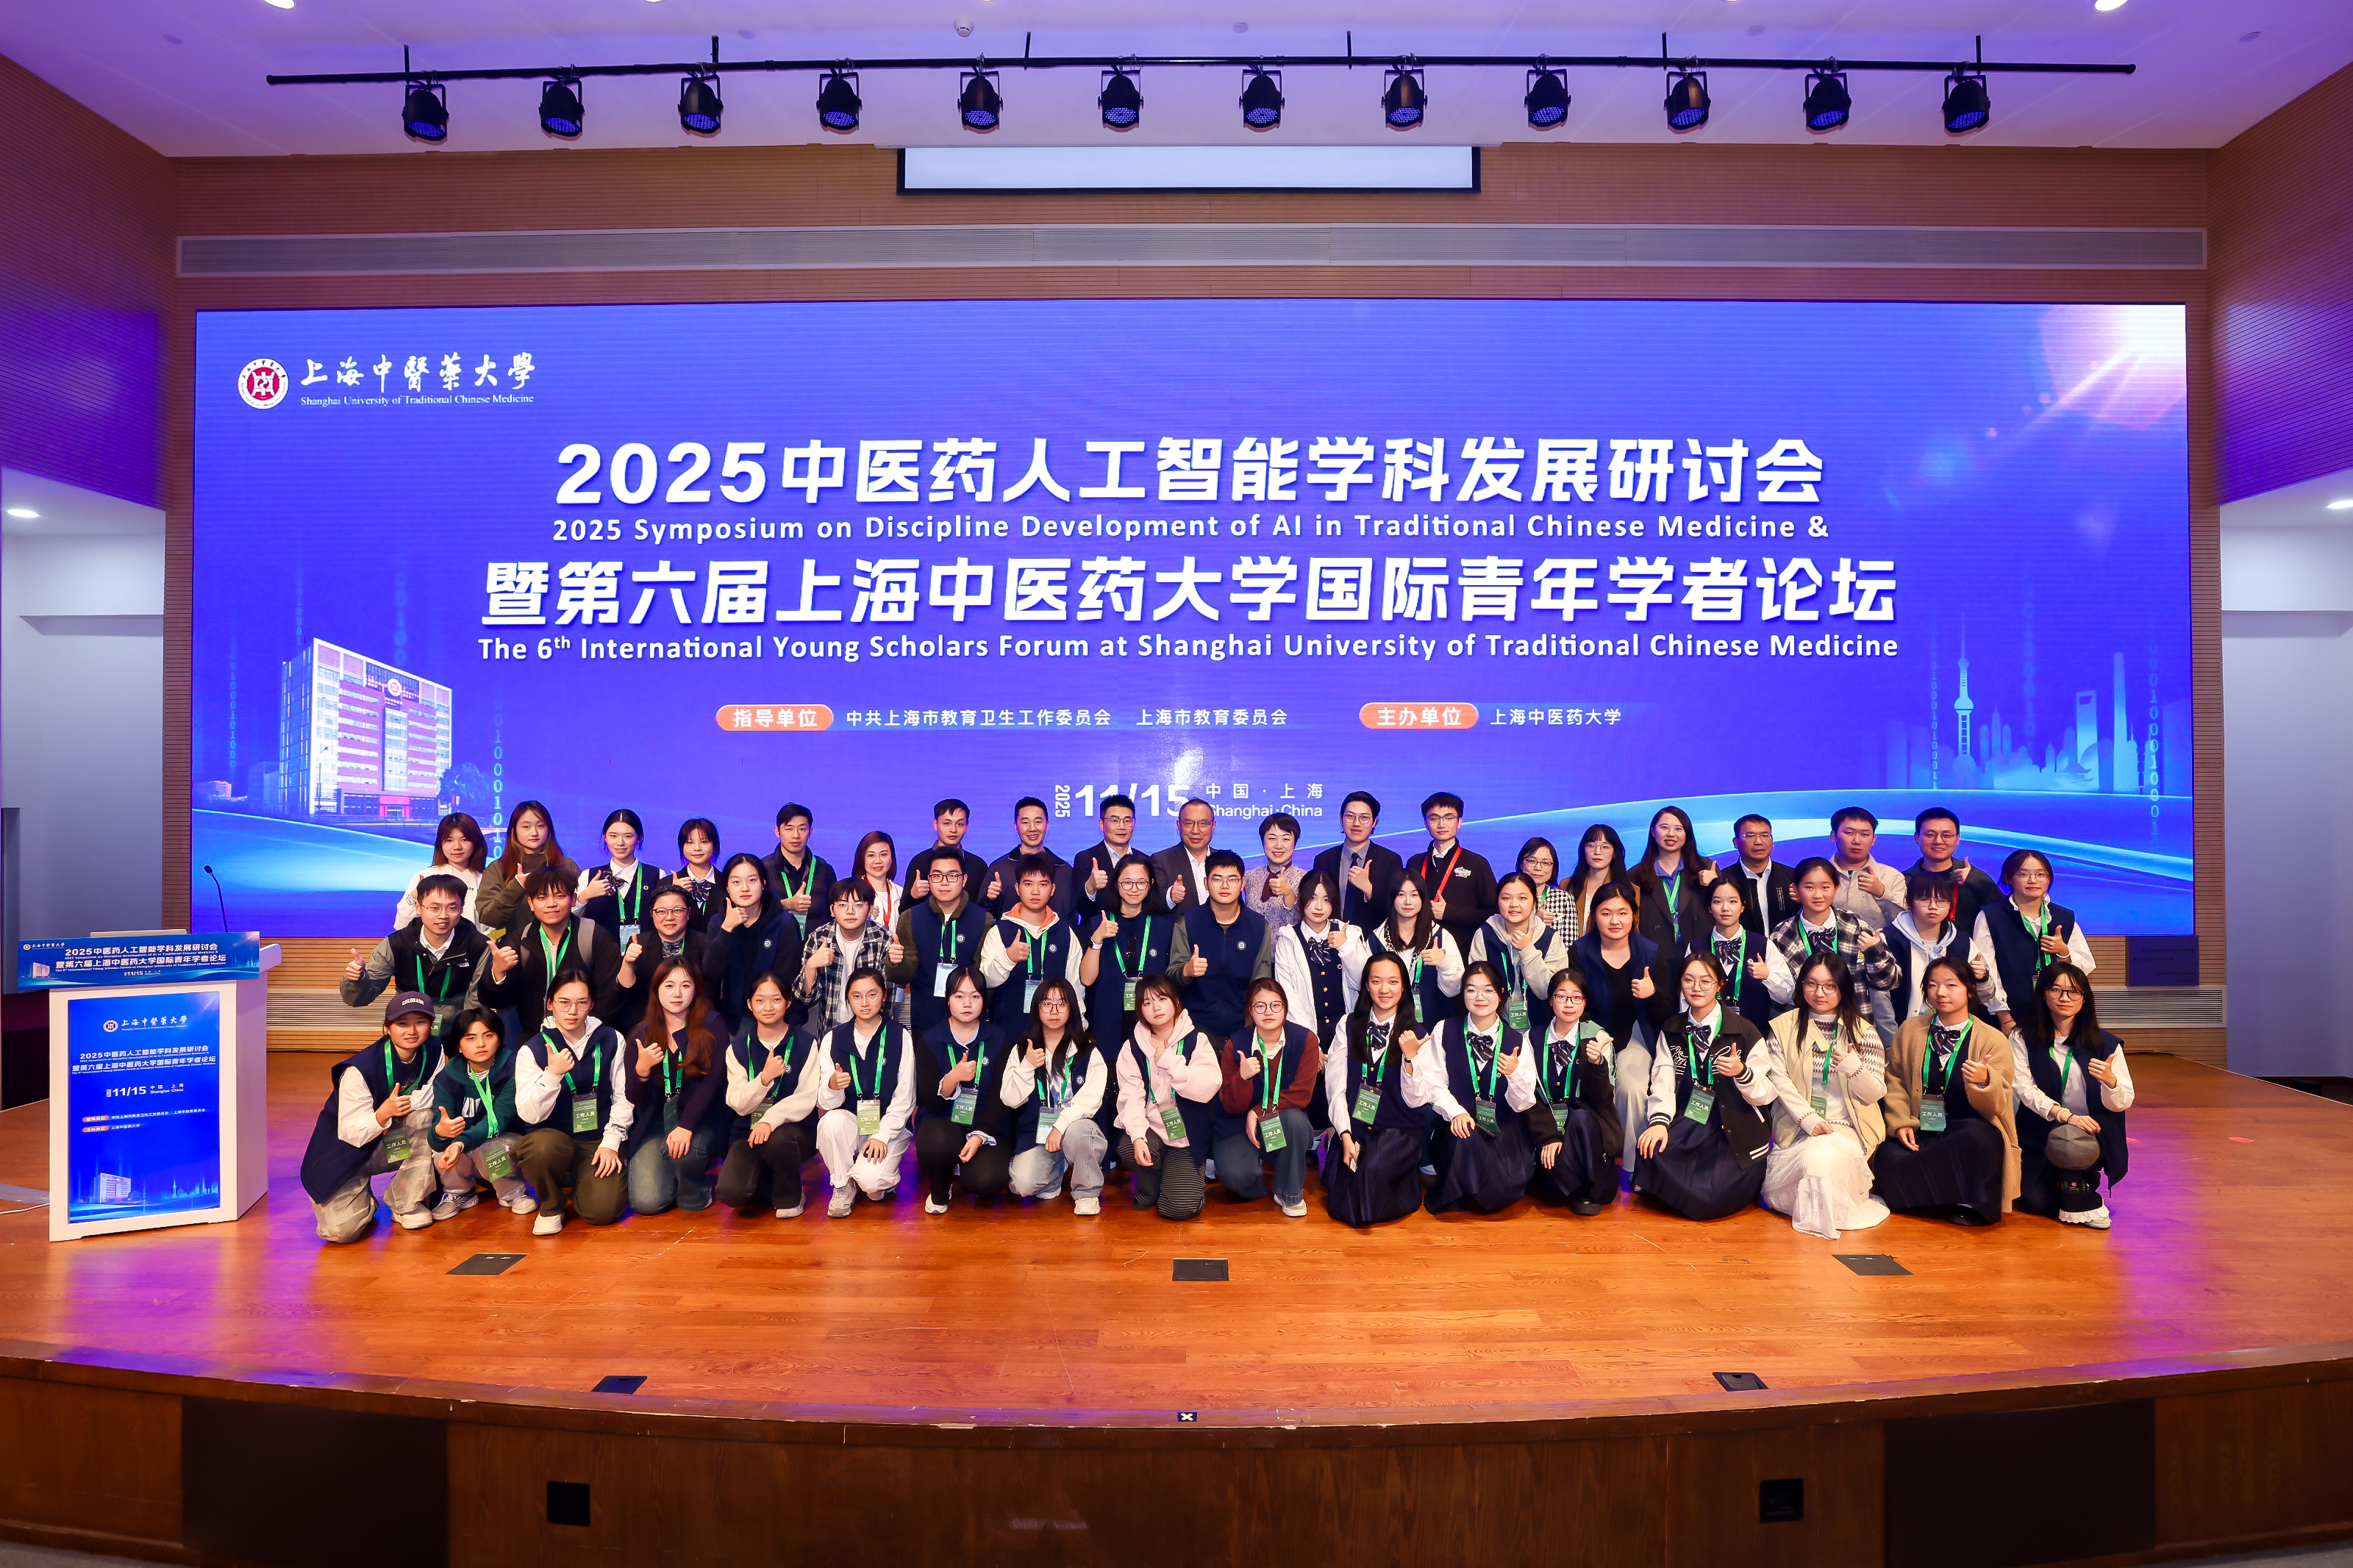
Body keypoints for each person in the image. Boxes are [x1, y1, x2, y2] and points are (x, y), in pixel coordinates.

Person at [1748, 953, 1890, 1241]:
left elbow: (1875, 1093)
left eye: (1830, 986)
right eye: (1811, 984)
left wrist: (1854, 1069)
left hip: (1849, 1130)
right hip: (1797, 1129)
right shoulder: (1783, 1027)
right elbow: (1778, 1080)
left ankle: (1817, 1216)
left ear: (1843, 988)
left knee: (1822, 1157)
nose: (1819, 993)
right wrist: (1808, 1120)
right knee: (1815, 1155)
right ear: (1801, 985)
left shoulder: (1864, 1032)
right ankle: (1820, 1214)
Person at [1628, 953, 1772, 1221]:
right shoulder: (1672, 1029)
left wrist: (1742, 1073)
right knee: (1650, 1149)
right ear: (1680, 984)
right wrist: (1658, 1122)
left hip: (1734, 1127)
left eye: (1706, 981)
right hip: (1692, 1118)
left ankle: (1685, 1195)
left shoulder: (1746, 1031)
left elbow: (1766, 1093)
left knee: (1712, 1197)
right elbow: (1663, 1081)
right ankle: (1682, 1192)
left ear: (1720, 985)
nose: (1696, 988)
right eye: (1689, 980)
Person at [1875, 957, 2018, 1225]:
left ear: (1970, 990)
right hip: (1923, 1127)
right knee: (1887, 1158)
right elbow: (1895, 1080)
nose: (1941, 992)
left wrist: (1985, 1081)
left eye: (1951, 985)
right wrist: (1901, 1122)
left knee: (1975, 1137)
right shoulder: (1910, 1030)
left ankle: (1966, 1202)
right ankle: (1939, 1199)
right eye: (1933, 985)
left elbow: (1999, 1105)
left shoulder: (1993, 1039)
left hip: (1968, 1132)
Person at [299, 990, 447, 1242]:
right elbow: (350, 1133)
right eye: (402, 1023)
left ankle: (404, 1203)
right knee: (341, 1232)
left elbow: (432, 1096)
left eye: (420, 1022)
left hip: (385, 1145)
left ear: (430, 1025)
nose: (412, 1031)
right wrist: (382, 1114)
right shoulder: (359, 1070)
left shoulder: (435, 1049)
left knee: (425, 1119)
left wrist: (402, 1109)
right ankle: (360, 1196)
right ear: (387, 1028)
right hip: (344, 1155)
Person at [1405, 961, 1537, 1214]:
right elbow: (1433, 1082)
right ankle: (1462, 1190)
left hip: (1503, 1130)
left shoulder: (1518, 1040)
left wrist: (1515, 1074)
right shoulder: (1444, 1029)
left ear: (1501, 994)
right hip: (1457, 1130)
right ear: (1463, 993)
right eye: (1471, 990)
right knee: (1466, 1141)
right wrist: (1455, 1112)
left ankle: (1469, 1189)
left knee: (1505, 1190)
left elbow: (1522, 1104)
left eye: (1488, 990)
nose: (1479, 997)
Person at [511, 967, 634, 1235]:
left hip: (597, 1139)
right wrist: (552, 1075)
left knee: (603, 1212)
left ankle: (582, 1181)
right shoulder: (532, 1049)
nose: (572, 1011)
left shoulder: (612, 1039)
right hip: (552, 1137)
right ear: (550, 1004)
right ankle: (551, 1206)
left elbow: (624, 1096)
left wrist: (612, 1142)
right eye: (564, 1003)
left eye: (581, 1003)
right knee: (540, 1148)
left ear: (592, 1004)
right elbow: (529, 1115)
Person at [2010, 963, 2132, 1230]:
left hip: (2089, 1130)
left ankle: (2081, 1196)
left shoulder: (2106, 1044)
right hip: (2041, 1127)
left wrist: (2110, 1082)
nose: (2065, 998)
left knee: (2070, 1144)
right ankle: (2067, 1183)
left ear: (2084, 998)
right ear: (2043, 993)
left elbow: (2123, 1101)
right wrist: (2064, 1115)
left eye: (2074, 991)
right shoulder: (2022, 1037)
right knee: (2034, 1202)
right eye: (2056, 990)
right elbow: (2023, 1087)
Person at [1323, 953, 1430, 1228]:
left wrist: (1410, 1059)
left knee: (1368, 1177)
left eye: (1393, 981)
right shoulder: (1347, 1025)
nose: (1384, 989)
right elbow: (1336, 1087)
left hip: (1399, 1131)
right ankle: (1335, 1143)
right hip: (1356, 1128)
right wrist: (1345, 1134)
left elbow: (1417, 1100)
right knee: (1345, 1183)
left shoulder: (1418, 1034)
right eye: (1376, 981)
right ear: (1366, 986)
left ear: (1403, 987)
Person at [1572, 881, 1674, 1162]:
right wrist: (1595, 1040)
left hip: (1636, 1036)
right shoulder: (1580, 951)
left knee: (1632, 1088)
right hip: (1592, 1037)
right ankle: (1593, 1161)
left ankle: (1632, 1167)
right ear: (1594, 915)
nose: (1614, 921)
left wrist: (1652, 994)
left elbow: (1667, 1016)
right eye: (1606, 913)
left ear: (1634, 915)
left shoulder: (1651, 953)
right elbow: (1574, 1005)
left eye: (1622, 913)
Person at [622, 957, 729, 1216]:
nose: (678, 994)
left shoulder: (713, 1024)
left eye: (686, 985)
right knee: (646, 1203)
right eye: (669, 986)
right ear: (657, 990)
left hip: (701, 1119)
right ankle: (672, 1174)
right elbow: (636, 1097)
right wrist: (642, 1071)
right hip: (655, 1124)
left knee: (685, 1155)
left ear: (696, 989)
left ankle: (695, 1190)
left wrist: (686, 1126)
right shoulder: (641, 1034)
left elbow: (713, 1082)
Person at [1111, 974, 1224, 1219]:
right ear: (1140, 1011)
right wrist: (1138, 1136)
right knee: (1129, 1147)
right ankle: (1149, 1188)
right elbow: (1131, 1097)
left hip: (1186, 1135)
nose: (1156, 1007)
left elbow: (1209, 1086)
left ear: (1176, 1001)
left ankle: (1181, 1183)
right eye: (1147, 1003)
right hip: (1152, 1129)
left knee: (1178, 1209)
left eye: (1162, 999)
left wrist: (1171, 1061)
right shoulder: (1132, 1047)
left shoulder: (1197, 1040)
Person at [714, 972, 826, 1218]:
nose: (768, 1007)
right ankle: (770, 1178)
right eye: (760, 1000)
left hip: (795, 1132)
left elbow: (807, 1097)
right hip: (749, 1132)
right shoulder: (737, 1048)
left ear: (788, 1003)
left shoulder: (806, 1043)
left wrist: (769, 1120)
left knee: (779, 1141)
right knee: (731, 1193)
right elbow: (738, 1104)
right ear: (749, 1004)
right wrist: (764, 1079)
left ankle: (790, 1197)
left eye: (776, 1000)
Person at [1212, 978, 1324, 1216]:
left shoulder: (1306, 1040)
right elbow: (1231, 1106)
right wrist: (1242, 1078)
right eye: (1260, 1006)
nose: (1268, 1012)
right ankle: (1257, 1175)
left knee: (1295, 1120)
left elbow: (1301, 1095)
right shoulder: (1236, 1045)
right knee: (1236, 1176)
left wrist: (1257, 1112)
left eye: (1275, 1005)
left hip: (1284, 1121)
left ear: (1285, 1008)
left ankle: (1288, 1193)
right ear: (1251, 1011)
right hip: (1239, 1125)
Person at [1001, 978, 1112, 1214]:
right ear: (1037, 1008)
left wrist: (1060, 1126)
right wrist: (1027, 1066)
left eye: (1061, 1004)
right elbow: (1010, 1099)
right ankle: (1054, 1175)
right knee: (1022, 1184)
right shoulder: (1022, 1050)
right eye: (1047, 1004)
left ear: (1071, 1009)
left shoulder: (1087, 1049)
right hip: (1038, 1134)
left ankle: (1087, 1193)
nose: (1054, 1011)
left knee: (1082, 1131)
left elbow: (1091, 1099)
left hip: (1075, 1129)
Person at [812, 967, 917, 1217]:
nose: (865, 1002)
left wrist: (882, 1135)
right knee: (830, 1122)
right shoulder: (833, 1039)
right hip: (852, 1122)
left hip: (888, 1127)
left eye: (872, 994)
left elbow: (906, 1097)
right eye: (857, 996)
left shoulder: (899, 1036)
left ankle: (876, 1178)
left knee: (871, 1183)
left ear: (884, 995)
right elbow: (824, 1101)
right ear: (848, 999)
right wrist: (832, 1086)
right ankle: (843, 1185)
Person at [1764, 858, 1902, 1043]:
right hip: (1802, 1034)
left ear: (1836, 888)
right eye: (1809, 887)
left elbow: (1890, 981)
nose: (1818, 895)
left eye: (1825, 887)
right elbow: (1778, 1000)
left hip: (1854, 1030)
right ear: (1796, 889)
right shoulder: (1782, 935)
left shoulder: (1856, 926)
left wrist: (1875, 952)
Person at [913, 966, 1015, 1213]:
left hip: (986, 1126)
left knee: (986, 1182)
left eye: (975, 996)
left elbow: (1000, 1098)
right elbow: (929, 1101)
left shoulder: (1000, 1039)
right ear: (948, 999)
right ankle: (941, 1183)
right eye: (959, 996)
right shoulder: (929, 1040)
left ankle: (966, 1165)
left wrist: (980, 1135)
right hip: (942, 1124)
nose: (967, 1003)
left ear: (984, 1000)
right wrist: (953, 1078)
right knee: (936, 1143)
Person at [340, 872, 488, 1042]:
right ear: (418, 907)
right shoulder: (396, 944)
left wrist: (467, 1038)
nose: (443, 915)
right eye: (434, 908)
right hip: (408, 1025)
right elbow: (359, 998)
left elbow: (475, 1002)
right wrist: (357, 980)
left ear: (461, 909)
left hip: (457, 1027)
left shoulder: (478, 946)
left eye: (452, 908)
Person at [478, 865, 622, 1037]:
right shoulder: (519, 941)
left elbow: (610, 996)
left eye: (560, 896)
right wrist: (498, 971)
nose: (551, 904)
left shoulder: (595, 937)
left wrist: (585, 1036)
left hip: (586, 1037)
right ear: (531, 903)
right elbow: (496, 1001)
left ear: (573, 899)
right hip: (534, 1037)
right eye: (542, 897)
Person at [424, 1006, 535, 1220]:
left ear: (499, 1039)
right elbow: (437, 1133)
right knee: (442, 1151)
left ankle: (513, 1193)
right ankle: (459, 1193)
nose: (481, 1044)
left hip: (507, 1142)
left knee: (490, 1147)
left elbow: (499, 1119)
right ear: (459, 1046)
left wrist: (461, 1143)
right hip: (467, 1149)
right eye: (471, 1038)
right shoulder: (447, 1078)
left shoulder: (514, 1068)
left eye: (488, 1035)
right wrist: (440, 1133)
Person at [1526, 968, 1619, 1214]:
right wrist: (1548, 1135)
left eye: (1577, 997)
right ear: (1550, 1000)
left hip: (1587, 1133)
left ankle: (1588, 1189)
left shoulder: (1597, 1037)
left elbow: (1601, 1100)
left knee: (1581, 1117)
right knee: (1552, 1182)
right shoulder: (1532, 1038)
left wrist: (1597, 1065)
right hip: (1549, 1130)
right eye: (1561, 996)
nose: (1569, 1004)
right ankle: (1571, 1186)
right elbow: (1528, 1097)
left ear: (1585, 1002)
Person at [1079, 853, 1190, 1060]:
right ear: (1116, 884)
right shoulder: (1097, 923)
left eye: (1141, 883)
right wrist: (1097, 939)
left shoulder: (1164, 927)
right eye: (1127, 882)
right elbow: (1086, 979)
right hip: (1108, 1024)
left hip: (1153, 1027)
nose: (1134, 889)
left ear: (1151, 884)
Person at [1973, 849, 2097, 1033]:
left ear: (2049, 879)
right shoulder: (1991, 916)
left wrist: (2064, 953)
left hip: (2056, 1016)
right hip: (2007, 1017)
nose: (2033, 880)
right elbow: (1987, 970)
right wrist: (2004, 1017)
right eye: (2023, 874)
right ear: (2008, 878)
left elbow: (2084, 969)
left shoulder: (2063, 917)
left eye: (2040, 874)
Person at [888, 846, 996, 1040]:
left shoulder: (984, 920)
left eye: (952, 875)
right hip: (925, 1018)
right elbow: (903, 976)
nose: (944, 882)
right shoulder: (911, 917)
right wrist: (895, 963)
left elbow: (984, 976)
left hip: (969, 1021)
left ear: (964, 879)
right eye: (937, 876)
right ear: (929, 880)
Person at [1176, 850, 1274, 1045]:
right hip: (1195, 1028)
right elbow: (1172, 977)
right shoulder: (1187, 922)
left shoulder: (1258, 926)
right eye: (1217, 879)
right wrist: (1187, 970)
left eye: (1232, 879)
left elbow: (1262, 983)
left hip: (1243, 1029)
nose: (1224, 886)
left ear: (1243, 883)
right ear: (1206, 883)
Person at [979, 854, 1085, 1034]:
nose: (1035, 891)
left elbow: (1075, 987)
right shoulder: (1000, 930)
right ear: (1017, 888)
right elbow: (986, 981)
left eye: (1043, 884)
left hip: (1055, 1034)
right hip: (1007, 1032)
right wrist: (1008, 958)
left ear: (1052, 889)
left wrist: (1079, 1026)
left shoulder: (1065, 933)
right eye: (1028, 884)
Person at [704, 851, 804, 1031]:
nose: (745, 888)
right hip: (732, 1020)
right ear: (727, 887)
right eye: (736, 882)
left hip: (776, 1016)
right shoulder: (718, 923)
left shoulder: (784, 923)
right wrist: (727, 929)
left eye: (752, 880)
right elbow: (711, 973)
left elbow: (788, 978)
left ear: (763, 883)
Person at [1271, 870, 1370, 1049]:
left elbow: (1362, 983)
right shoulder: (1288, 939)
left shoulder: (1350, 933)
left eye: (1326, 900)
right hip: (1307, 1034)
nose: (1319, 907)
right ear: (1301, 897)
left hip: (1347, 1034)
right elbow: (1288, 996)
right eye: (1313, 898)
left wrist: (1346, 947)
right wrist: (1309, 1043)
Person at [1467, 872, 1568, 1037]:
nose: (1514, 905)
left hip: (1543, 1031)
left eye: (1522, 898)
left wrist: (1528, 951)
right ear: (1498, 901)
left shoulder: (1550, 938)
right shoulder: (1485, 935)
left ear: (1534, 902)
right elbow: (1475, 988)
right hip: (1494, 1031)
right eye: (1506, 898)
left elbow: (1549, 992)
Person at [1885, 871, 1990, 1028]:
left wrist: (1982, 979)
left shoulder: (1961, 940)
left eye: (1941, 901)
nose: (1933, 907)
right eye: (1924, 899)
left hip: (1952, 1030)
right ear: (1909, 902)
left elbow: (1985, 996)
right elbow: (1880, 999)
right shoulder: (1889, 939)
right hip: (1903, 1029)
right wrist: (1892, 1038)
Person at [794, 878, 895, 1039]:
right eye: (842, 905)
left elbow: (887, 999)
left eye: (859, 905)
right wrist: (811, 966)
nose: (850, 911)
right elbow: (804, 998)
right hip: (831, 1029)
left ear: (870, 909)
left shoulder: (884, 939)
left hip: (874, 1031)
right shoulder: (819, 938)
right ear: (832, 910)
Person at [1367, 873, 1464, 1031]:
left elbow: (1455, 990)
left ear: (1423, 898)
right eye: (1401, 895)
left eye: (1414, 895)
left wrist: (1444, 962)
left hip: (1433, 1029)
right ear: (1392, 898)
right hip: (1388, 1028)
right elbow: (1363, 987)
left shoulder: (1441, 936)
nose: (1408, 902)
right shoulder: (1375, 940)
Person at [1410, 792, 1499, 954]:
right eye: (1434, 818)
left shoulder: (1477, 863)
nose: (1441, 824)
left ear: (1459, 822)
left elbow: (1494, 914)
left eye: (1449, 818)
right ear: (1426, 823)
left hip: (1461, 951)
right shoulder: (1414, 863)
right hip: (1419, 950)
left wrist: (1449, 912)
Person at [1685, 876, 1774, 1033]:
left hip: (1755, 1034)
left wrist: (1768, 976)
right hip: (1709, 1034)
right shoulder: (1695, 947)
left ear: (1743, 906)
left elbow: (1786, 995)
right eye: (1717, 902)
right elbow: (1684, 999)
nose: (1725, 908)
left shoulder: (1764, 945)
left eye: (1732, 901)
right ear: (1709, 907)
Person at [475, 799, 579, 934]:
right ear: (514, 831)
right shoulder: (499, 868)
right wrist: (517, 886)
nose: (534, 832)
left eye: (540, 826)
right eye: (526, 827)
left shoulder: (566, 865)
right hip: (517, 945)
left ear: (549, 829)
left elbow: (580, 912)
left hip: (566, 942)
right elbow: (489, 918)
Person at [1313, 790, 1404, 935]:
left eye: (1364, 818)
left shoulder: (1390, 860)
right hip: (1330, 940)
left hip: (1372, 942)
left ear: (1374, 822)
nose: (1356, 823)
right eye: (1350, 816)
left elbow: (1396, 910)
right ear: (1341, 819)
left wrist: (1368, 889)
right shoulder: (1324, 860)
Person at [1629, 806, 1715, 951]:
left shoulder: (1706, 868)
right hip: (1655, 954)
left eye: (1678, 829)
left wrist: (1715, 884)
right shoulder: (1634, 876)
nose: (1671, 834)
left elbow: (1725, 909)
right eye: (1664, 827)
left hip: (1699, 952)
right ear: (1653, 832)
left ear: (1687, 834)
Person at [1904, 807, 2001, 936]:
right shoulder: (1905, 880)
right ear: (1917, 838)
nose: (1938, 841)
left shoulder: (1975, 878)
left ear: (1957, 839)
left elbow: (2004, 916)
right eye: (1930, 835)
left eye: (1947, 836)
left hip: (1968, 948)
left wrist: (1977, 883)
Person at [576, 809, 663, 951]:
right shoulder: (589, 875)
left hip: (647, 953)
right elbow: (567, 919)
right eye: (613, 836)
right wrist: (584, 897)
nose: (620, 843)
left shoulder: (656, 875)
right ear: (605, 837)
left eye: (628, 836)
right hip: (599, 954)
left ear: (639, 837)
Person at [984, 797, 1076, 921]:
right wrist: (990, 899)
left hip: (1055, 934)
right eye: (1025, 822)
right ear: (1016, 827)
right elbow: (981, 914)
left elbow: (1071, 918)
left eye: (1038, 822)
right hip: (1010, 934)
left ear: (1047, 825)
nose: (1032, 828)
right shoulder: (999, 868)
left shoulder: (1064, 870)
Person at [393, 812, 488, 927]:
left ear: (476, 842)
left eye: (464, 840)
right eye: (449, 840)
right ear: (440, 844)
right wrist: (413, 898)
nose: (457, 847)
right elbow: (402, 925)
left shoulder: (488, 879)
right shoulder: (425, 877)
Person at [1827, 806, 1907, 931]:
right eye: (1849, 833)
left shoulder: (1892, 877)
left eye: (1864, 834)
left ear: (1873, 839)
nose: (1857, 841)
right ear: (1833, 836)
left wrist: (1882, 893)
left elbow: (1906, 923)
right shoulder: (1818, 875)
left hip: (1877, 942)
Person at [763, 803, 836, 935]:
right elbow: (753, 912)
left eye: (802, 829)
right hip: (776, 945)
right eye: (789, 829)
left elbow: (835, 913)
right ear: (777, 832)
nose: (796, 835)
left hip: (817, 945)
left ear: (810, 832)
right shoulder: (762, 869)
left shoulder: (825, 869)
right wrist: (786, 905)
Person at [1720, 815, 1797, 938]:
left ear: (1772, 841)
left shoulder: (1793, 877)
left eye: (1765, 835)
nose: (1759, 842)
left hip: (1787, 947)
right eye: (1750, 836)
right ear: (1736, 843)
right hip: (1743, 949)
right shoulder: (1723, 881)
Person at [903, 798, 990, 904]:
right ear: (935, 824)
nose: (953, 830)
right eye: (947, 823)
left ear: (967, 826)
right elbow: (903, 909)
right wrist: (913, 896)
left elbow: (985, 909)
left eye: (960, 824)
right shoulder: (919, 862)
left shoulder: (978, 865)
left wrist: (991, 899)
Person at [1072, 792, 1141, 922]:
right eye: (1115, 821)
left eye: (1127, 821)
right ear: (1101, 824)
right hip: (1099, 931)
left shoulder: (1145, 860)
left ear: (1134, 824)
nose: (1122, 827)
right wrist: (1091, 887)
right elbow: (1082, 909)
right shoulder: (1085, 859)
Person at [1560, 824, 1630, 943]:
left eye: (1605, 847)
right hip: (1571, 952)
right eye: (1591, 846)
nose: (1597, 852)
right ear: (1583, 850)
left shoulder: (1630, 889)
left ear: (1615, 852)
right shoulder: (1567, 885)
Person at [1151, 797, 1218, 914]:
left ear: (1213, 826)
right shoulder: (1161, 860)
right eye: (1189, 823)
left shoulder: (1224, 861)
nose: (1195, 831)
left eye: (1203, 824)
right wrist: (1170, 897)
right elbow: (1151, 903)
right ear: (1179, 825)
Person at [1244, 812, 1307, 931]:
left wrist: (1289, 894)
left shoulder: (1305, 879)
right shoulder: (1250, 876)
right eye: (1272, 839)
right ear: (1263, 841)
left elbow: (1304, 925)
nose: (1278, 846)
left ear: (1295, 843)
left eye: (1286, 839)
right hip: (1253, 943)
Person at [670, 817, 723, 930]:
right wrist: (674, 895)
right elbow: (655, 925)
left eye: (704, 842)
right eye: (690, 843)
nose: (697, 848)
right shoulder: (668, 884)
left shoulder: (727, 883)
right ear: (682, 847)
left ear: (714, 845)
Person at [850, 829, 904, 938]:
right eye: (871, 856)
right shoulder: (851, 893)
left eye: (883, 854)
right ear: (862, 859)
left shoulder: (901, 893)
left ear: (892, 858)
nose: (878, 861)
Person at [1516, 837, 1574, 931]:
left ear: (1553, 867)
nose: (1538, 868)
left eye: (1545, 863)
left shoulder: (1564, 899)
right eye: (1532, 861)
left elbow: (1570, 940)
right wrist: (1535, 921)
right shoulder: (1509, 897)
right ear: (1521, 864)